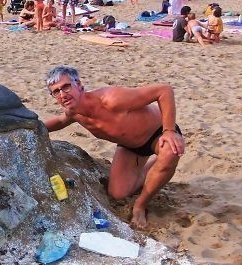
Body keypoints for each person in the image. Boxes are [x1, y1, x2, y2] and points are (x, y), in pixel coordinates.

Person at [42, 65, 184, 229]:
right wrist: (32, 125)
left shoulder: (111, 99)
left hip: (158, 133)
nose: (62, 94)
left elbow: (164, 91)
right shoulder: (74, 113)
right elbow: (60, 121)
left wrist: (169, 131)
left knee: (169, 153)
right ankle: (156, 170)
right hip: (131, 147)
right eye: (56, 91)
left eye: (66, 86)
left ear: (78, 84)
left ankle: (141, 204)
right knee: (118, 194)